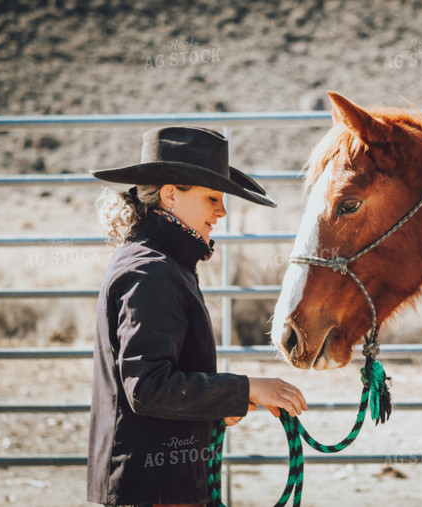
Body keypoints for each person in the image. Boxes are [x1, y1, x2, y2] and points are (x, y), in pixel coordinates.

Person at [87, 126, 307, 507]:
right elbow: (148, 387)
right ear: (171, 195)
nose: (221, 212)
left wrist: (219, 407)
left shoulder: (160, 263)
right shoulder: (150, 271)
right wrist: (246, 388)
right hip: (154, 491)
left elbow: (161, 382)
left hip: (156, 483)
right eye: (212, 198)